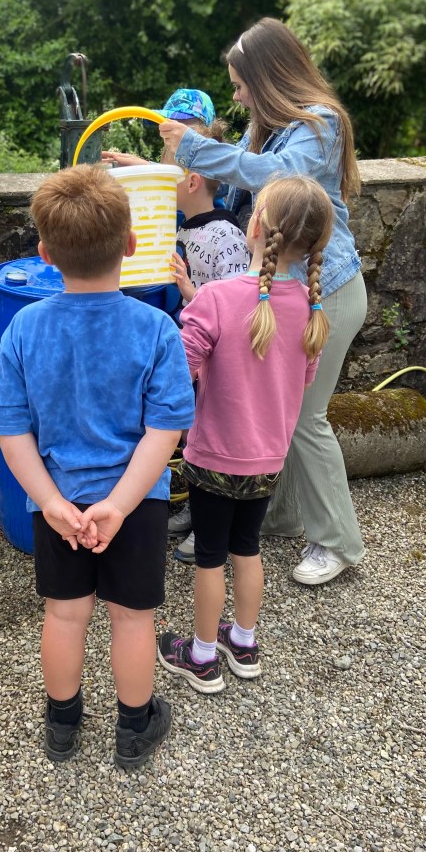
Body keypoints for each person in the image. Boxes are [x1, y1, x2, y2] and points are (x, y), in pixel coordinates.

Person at [0, 165, 196, 769]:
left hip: (59, 505)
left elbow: (8, 426)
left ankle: (62, 726)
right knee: (132, 619)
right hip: (136, 504)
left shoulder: (25, 327)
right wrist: (120, 505)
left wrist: (51, 502)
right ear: (130, 244)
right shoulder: (156, 329)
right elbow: (166, 429)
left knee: (64, 614)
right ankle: (133, 730)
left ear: (46, 254)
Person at [159, 17, 367, 585]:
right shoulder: (271, 127)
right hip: (295, 292)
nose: (236, 96)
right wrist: (156, 170)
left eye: (239, 84)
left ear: (266, 75)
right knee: (286, 413)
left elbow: (275, 177)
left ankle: (338, 542)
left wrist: (194, 146)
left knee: (305, 419)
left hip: (328, 290)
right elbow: (230, 185)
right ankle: (283, 515)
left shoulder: (320, 124)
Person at [158, 175, 333, 693]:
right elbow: (299, 380)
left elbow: (180, 370)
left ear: (254, 225)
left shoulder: (216, 299)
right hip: (268, 458)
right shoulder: (311, 308)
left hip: (214, 455)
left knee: (210, 557)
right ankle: (244, 643)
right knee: (247, 548)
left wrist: (191, 305)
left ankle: (201, 656)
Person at [166, 119, 251, 561]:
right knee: (190, 439)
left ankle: (208, 526)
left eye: (169, 172)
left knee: (210, 443)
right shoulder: (182, 228)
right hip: (192, 356)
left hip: (215, 365)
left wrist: (190, 294)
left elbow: (235, 310)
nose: (164, 180)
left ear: (193, 180)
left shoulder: (227, 236)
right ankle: (195, 509)